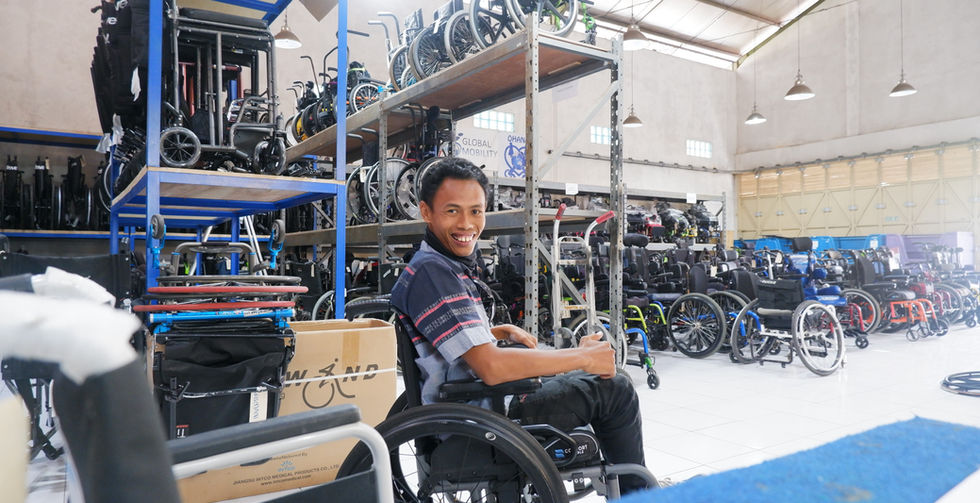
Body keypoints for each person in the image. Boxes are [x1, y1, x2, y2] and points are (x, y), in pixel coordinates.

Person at [389, 156, 650, 494]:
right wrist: (582, 358)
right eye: (452, 211)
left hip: (475, 405)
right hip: (483, 416)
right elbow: (493, 368)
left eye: (476, 211)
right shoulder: (433, 272)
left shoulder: (438, 264)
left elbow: (444, 342)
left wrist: (495, 332)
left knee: (603, 379)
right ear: (426, 212)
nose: (467, 224)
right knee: (615, 388)